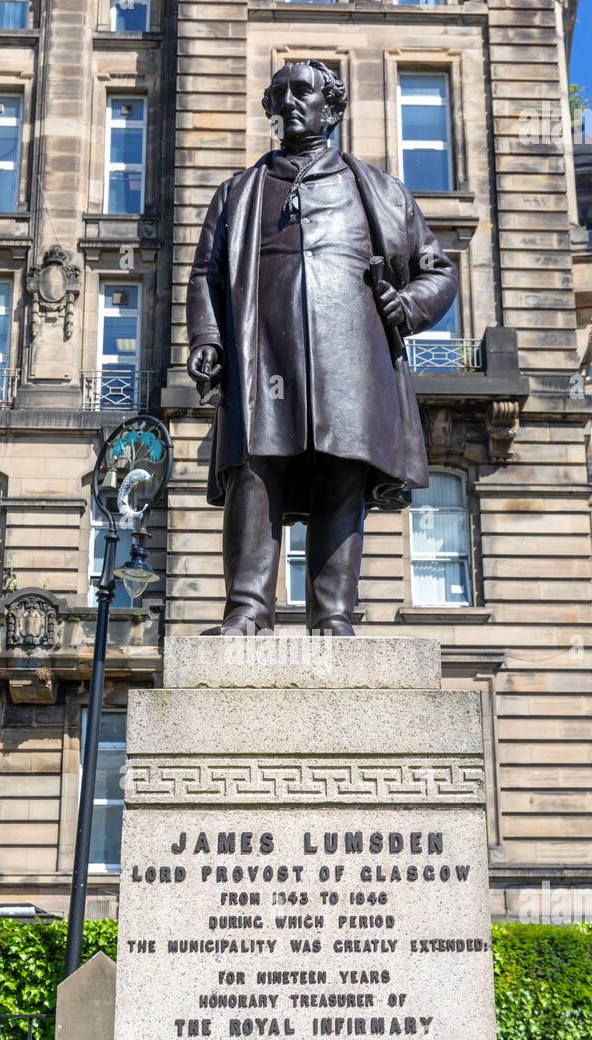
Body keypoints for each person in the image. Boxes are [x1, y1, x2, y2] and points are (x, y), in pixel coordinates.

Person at [186, 59, 457, 635]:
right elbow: (206, 274)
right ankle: (248, 609)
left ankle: (333, 614)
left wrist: (407, 307)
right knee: (255, 469)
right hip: (264, 350)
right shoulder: (238, 192)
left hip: (352, 354)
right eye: (278, 94)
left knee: (342, 471)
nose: (288, 103)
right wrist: (208, 336)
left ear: (331, 109)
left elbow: (438, 272)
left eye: (302, 92)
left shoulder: (380, 191)